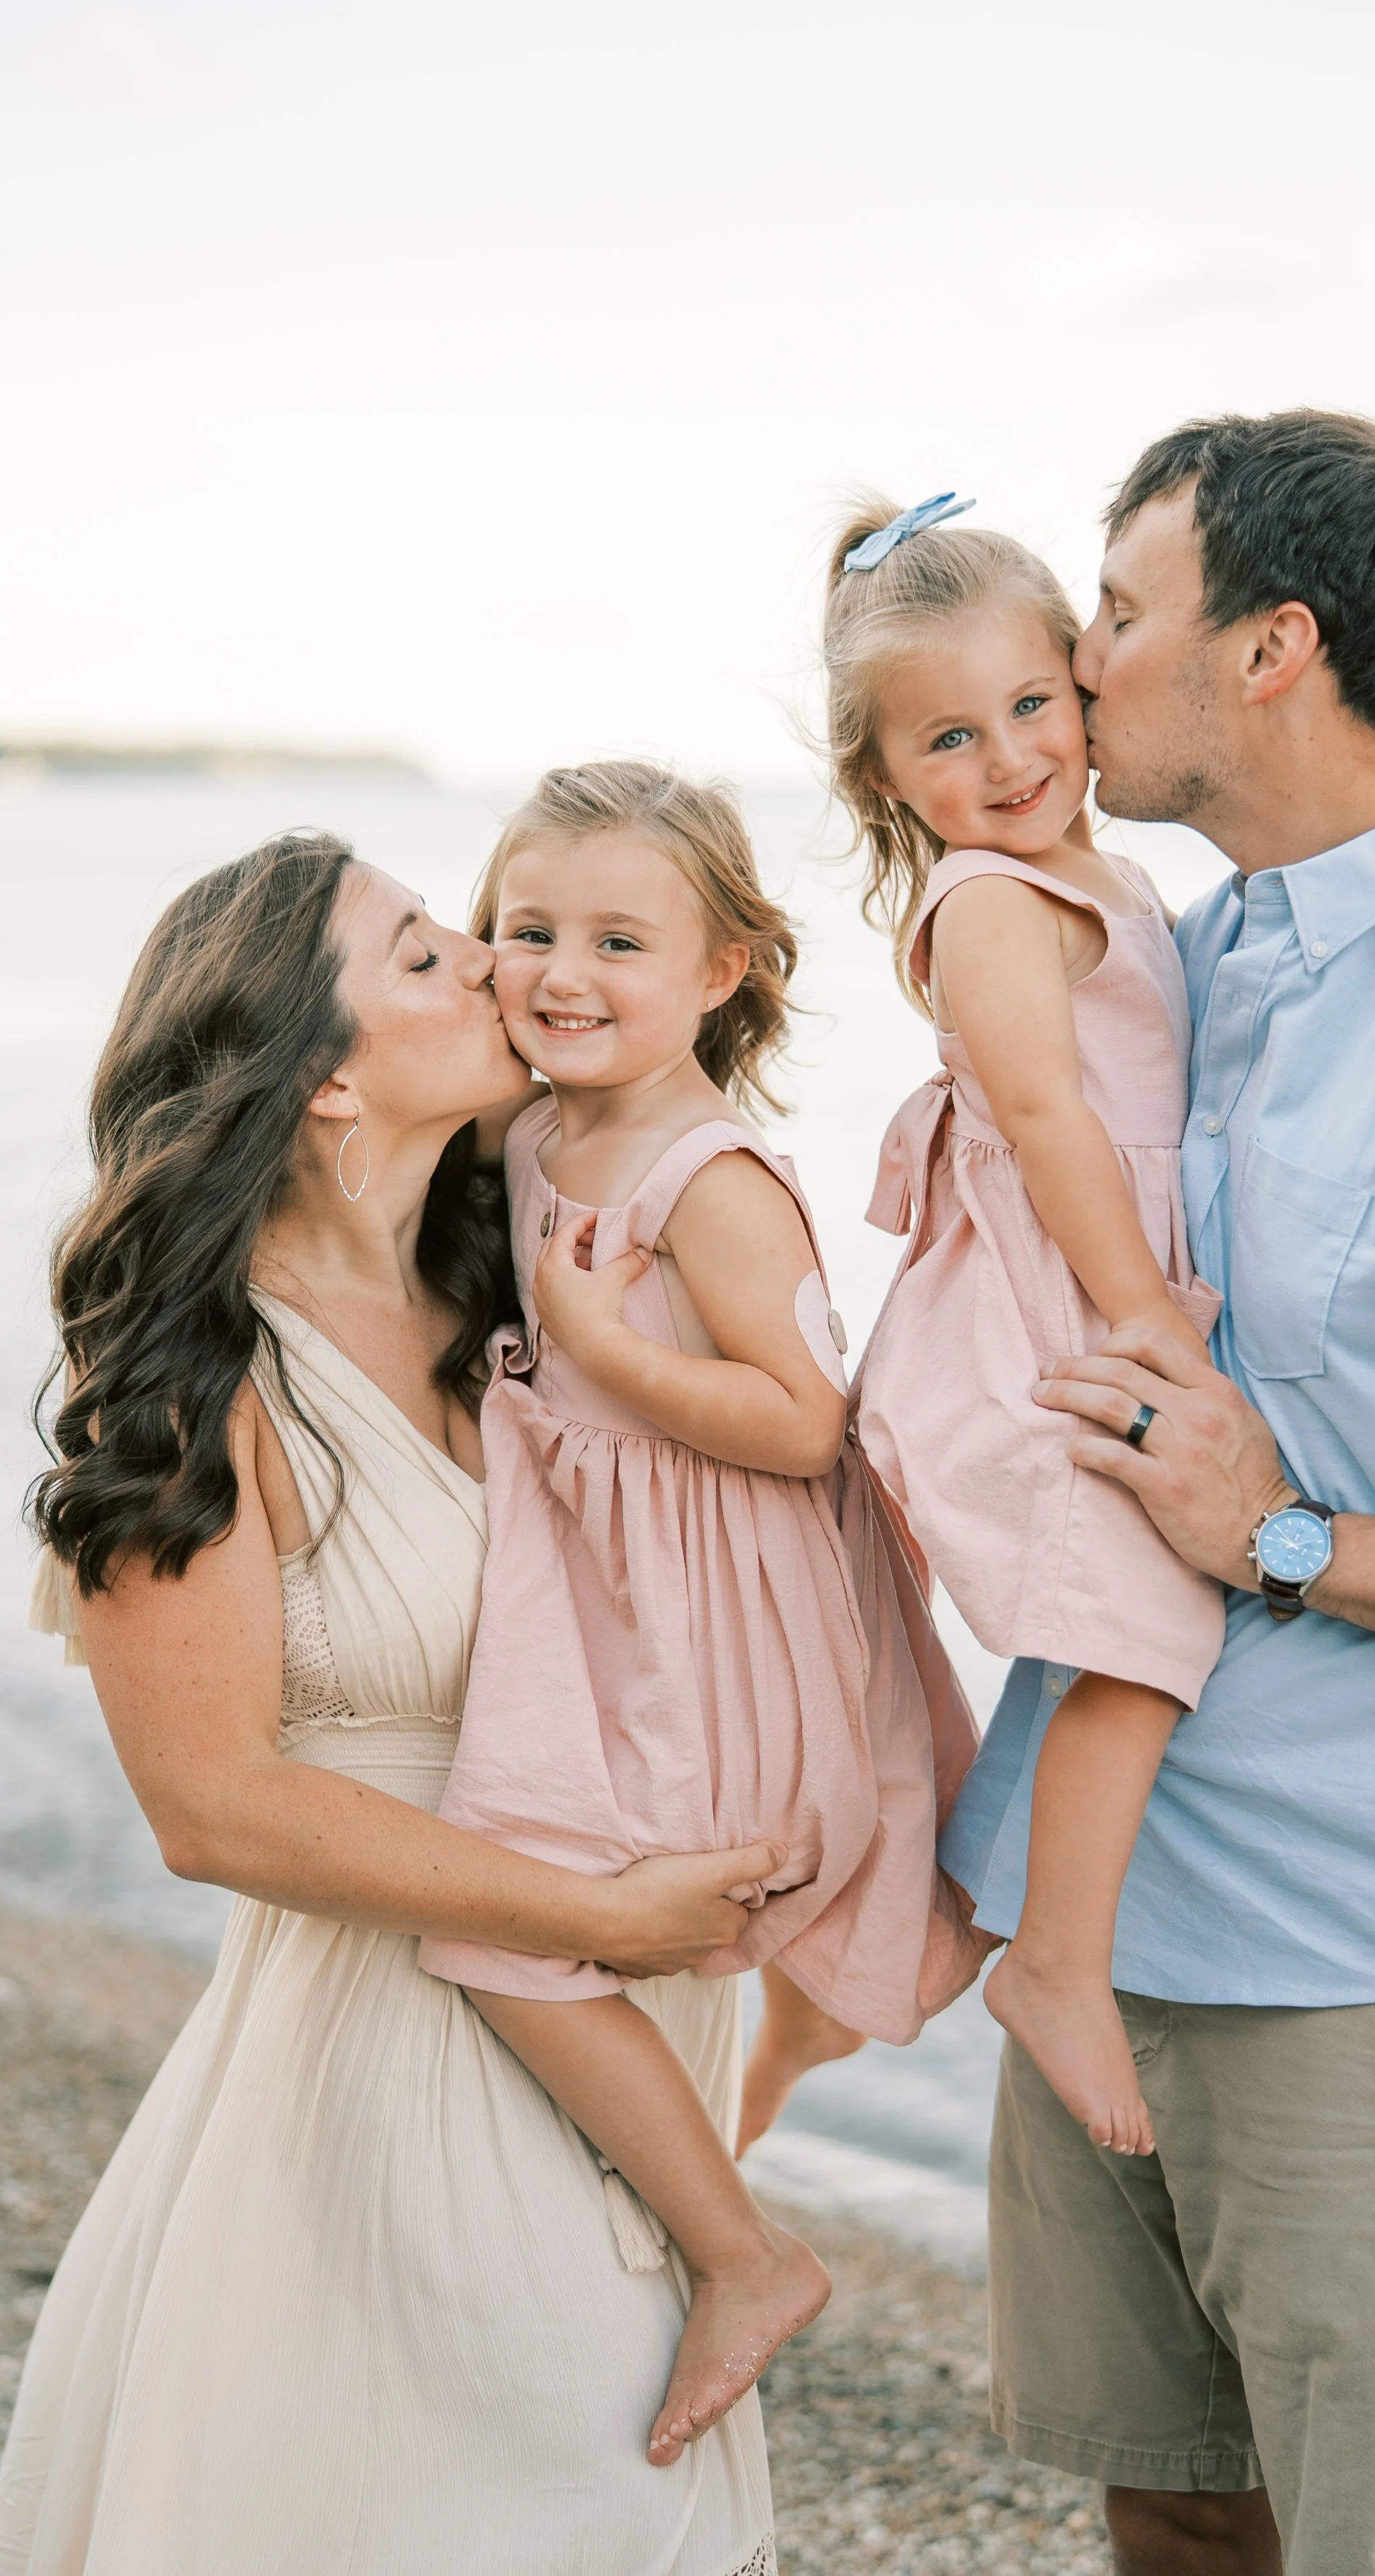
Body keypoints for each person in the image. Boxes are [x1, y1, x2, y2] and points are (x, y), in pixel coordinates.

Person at [0, 832, 788, 2576]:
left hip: (616, 2014)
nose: (494, 968)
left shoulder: (520, 1307)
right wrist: (590, 1909)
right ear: (326, 1079)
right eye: (426, 955)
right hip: (391, 2056)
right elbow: (213, 1808)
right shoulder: (192, 1382)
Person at [942, 412, 1375, 2576]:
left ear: (1271, 648)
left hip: (1372, 1963)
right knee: (1174, 2529)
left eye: (1117, 615)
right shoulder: (1165, 959)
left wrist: (1285, 1533)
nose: (1079, 657)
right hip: (1107, 1924)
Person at [420, 759, 987, 2463]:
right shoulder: (523, 1131)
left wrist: (602, 1350)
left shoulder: (711, 1178)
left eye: (618, 939)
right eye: (527, 930)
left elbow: (807, 1420)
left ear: (723, 970)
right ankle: (756, 2093)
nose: (561, 973)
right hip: (593, 1597)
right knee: (578, 1902)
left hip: (710, 1617)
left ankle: (745, 2250)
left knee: (512, 1928)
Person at [819, 496, 1226, 2158]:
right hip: (1050, 1316)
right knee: (1142, 1622)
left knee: (1110, 1623)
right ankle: (1050, 1963)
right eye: (947, 738)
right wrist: (1153, 1325)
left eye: (1032, 708)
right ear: (884, 782)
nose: (1005, 759)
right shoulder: (989, 899)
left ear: (1080, 682)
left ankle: (966, 1906)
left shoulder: (1103, 872)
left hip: (1094, 1288)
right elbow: (1049, 1125)